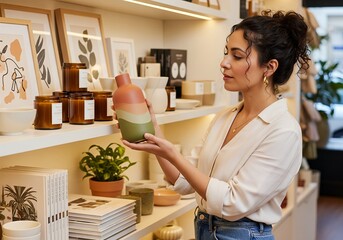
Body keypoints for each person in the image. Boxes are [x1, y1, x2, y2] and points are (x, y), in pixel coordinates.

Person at [118, 10, 310, 240]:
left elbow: (232, 203)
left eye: (237, 56)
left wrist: (172, 153)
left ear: (269, 67)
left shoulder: (283, 131)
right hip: (205, 228)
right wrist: (152, 128)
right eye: (226, 53)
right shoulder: (224, 117)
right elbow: (184, 181)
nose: (224, 63)